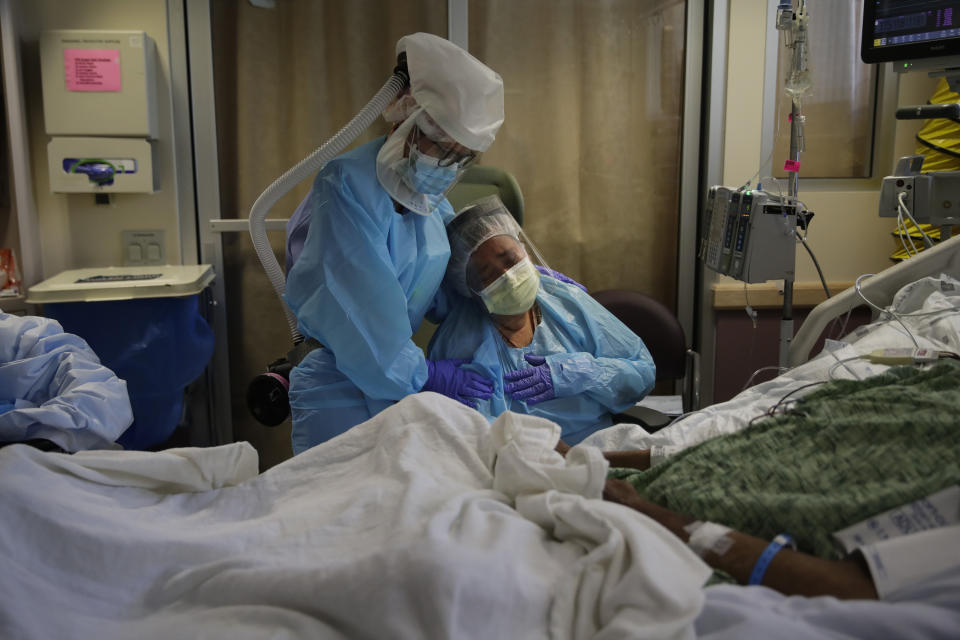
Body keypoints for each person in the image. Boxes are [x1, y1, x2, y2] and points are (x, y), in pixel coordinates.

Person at [282, 33, 504, 454]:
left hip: (395, 386)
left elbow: (437, 291)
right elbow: (358, 309)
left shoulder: (425, 202)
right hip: (339, 388)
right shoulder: (347, 185)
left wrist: (510, 282)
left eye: (462, 156)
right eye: (440, 146)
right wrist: (427, 376)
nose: (447, 165)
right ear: (402, 114)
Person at [427, 195, 656, 444]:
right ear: (470, 289)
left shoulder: (567, 302)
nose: (509, 277)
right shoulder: (460, 342)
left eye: (511, 260)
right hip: (514, 462)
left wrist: (582, 373)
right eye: (488, 275)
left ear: (526, 254)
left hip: (599, 444)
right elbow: (470, 434)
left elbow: (642, 373)